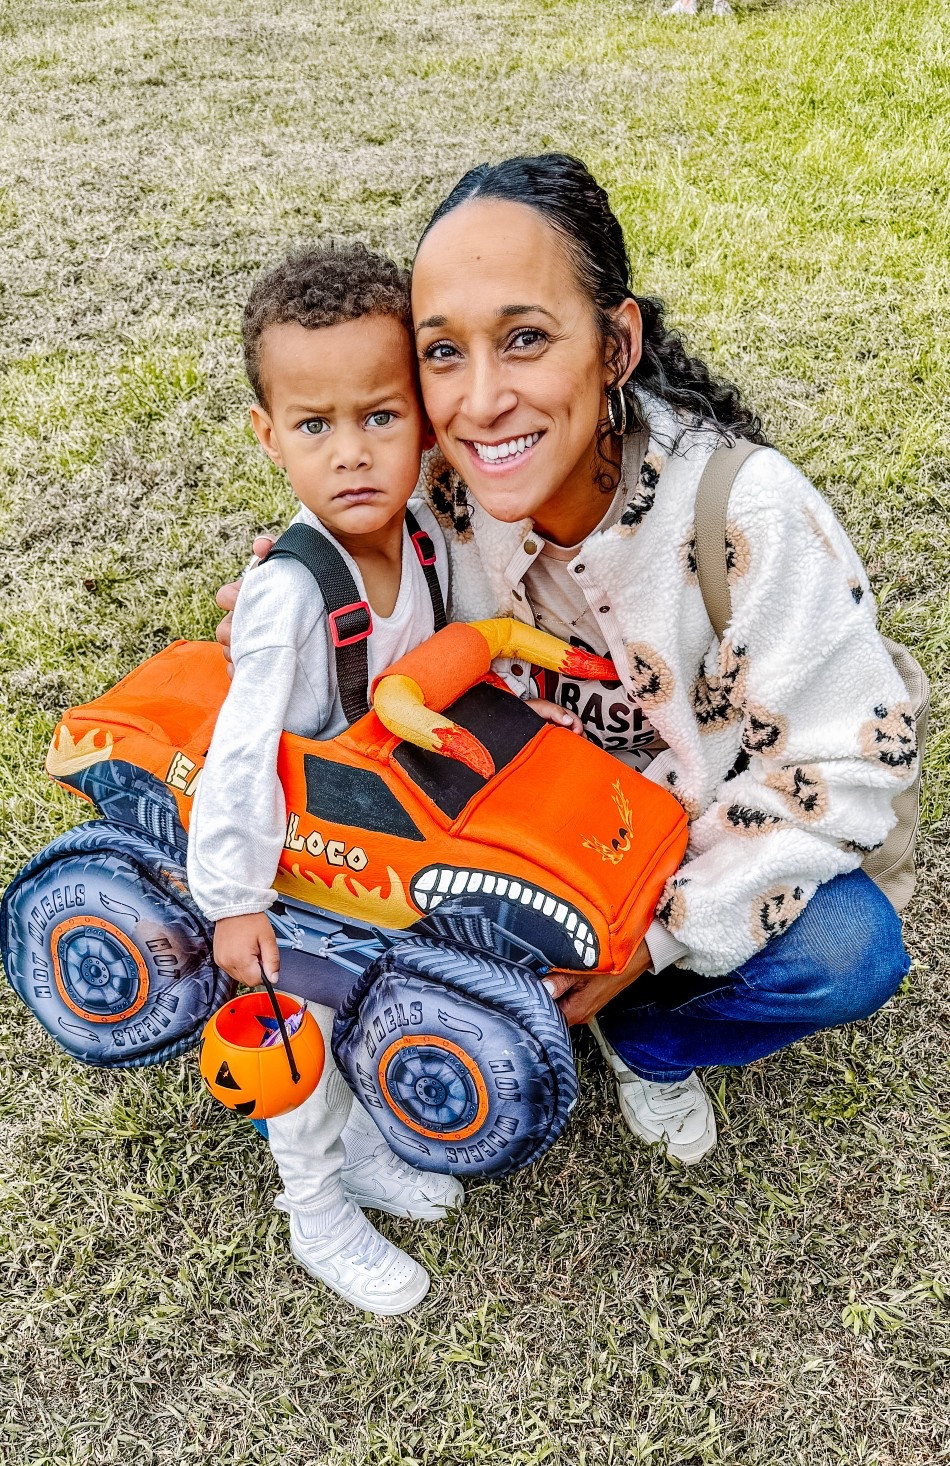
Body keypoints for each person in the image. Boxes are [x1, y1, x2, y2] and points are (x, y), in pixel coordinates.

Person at [216, 155, 915, 1171]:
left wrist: (653, 939)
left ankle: (641, 1039)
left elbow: (841, 770)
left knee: (846, 952)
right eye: (441, 354)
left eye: (526, 339)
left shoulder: (747, 516)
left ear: (615, 342)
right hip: (510, 829)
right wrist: (302, 589)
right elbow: (338, 502)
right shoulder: (428, 477)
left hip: (676, 843)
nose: (481, 400)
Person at [191, 242, 579, 1314]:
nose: (352, 454)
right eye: (315, 426)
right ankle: (314, 1206)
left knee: (374, 986)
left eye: (380, 416)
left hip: (386, 831)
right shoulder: (288, 593)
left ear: (422, 413)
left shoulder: (417, 533)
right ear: (268, 435)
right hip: (298, 857)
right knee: (298, 1030)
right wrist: (233, 900)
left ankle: (363, 1144)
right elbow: (239, 749)